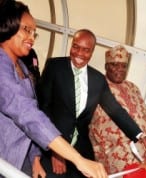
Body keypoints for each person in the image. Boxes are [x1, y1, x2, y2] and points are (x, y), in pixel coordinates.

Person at [0, 1, 107, 178]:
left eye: (35, 33)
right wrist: (78, 160)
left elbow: (33, 111)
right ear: (8, 25)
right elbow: (26, 114)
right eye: (27, 30)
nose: (32, 38)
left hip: (20, 160)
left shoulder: (21, 66)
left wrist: (35, 159)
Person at [38, 31, 146, 177]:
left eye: (86, 50)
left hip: (82, 153)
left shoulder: (97, 79)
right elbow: (43, 107)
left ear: (92, 52)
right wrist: (56, 150)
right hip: (53, 147)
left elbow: (117, 111)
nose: (79, 53)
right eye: (76, 47)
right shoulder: (55, 67)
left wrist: (144, 139)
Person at [89, 45, 146, 174]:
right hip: (116, 160)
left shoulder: (133, 88)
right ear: (106, 66)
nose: (120, 69)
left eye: (124, 65)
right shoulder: (96, 88)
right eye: (115, 65)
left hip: (145, 156)